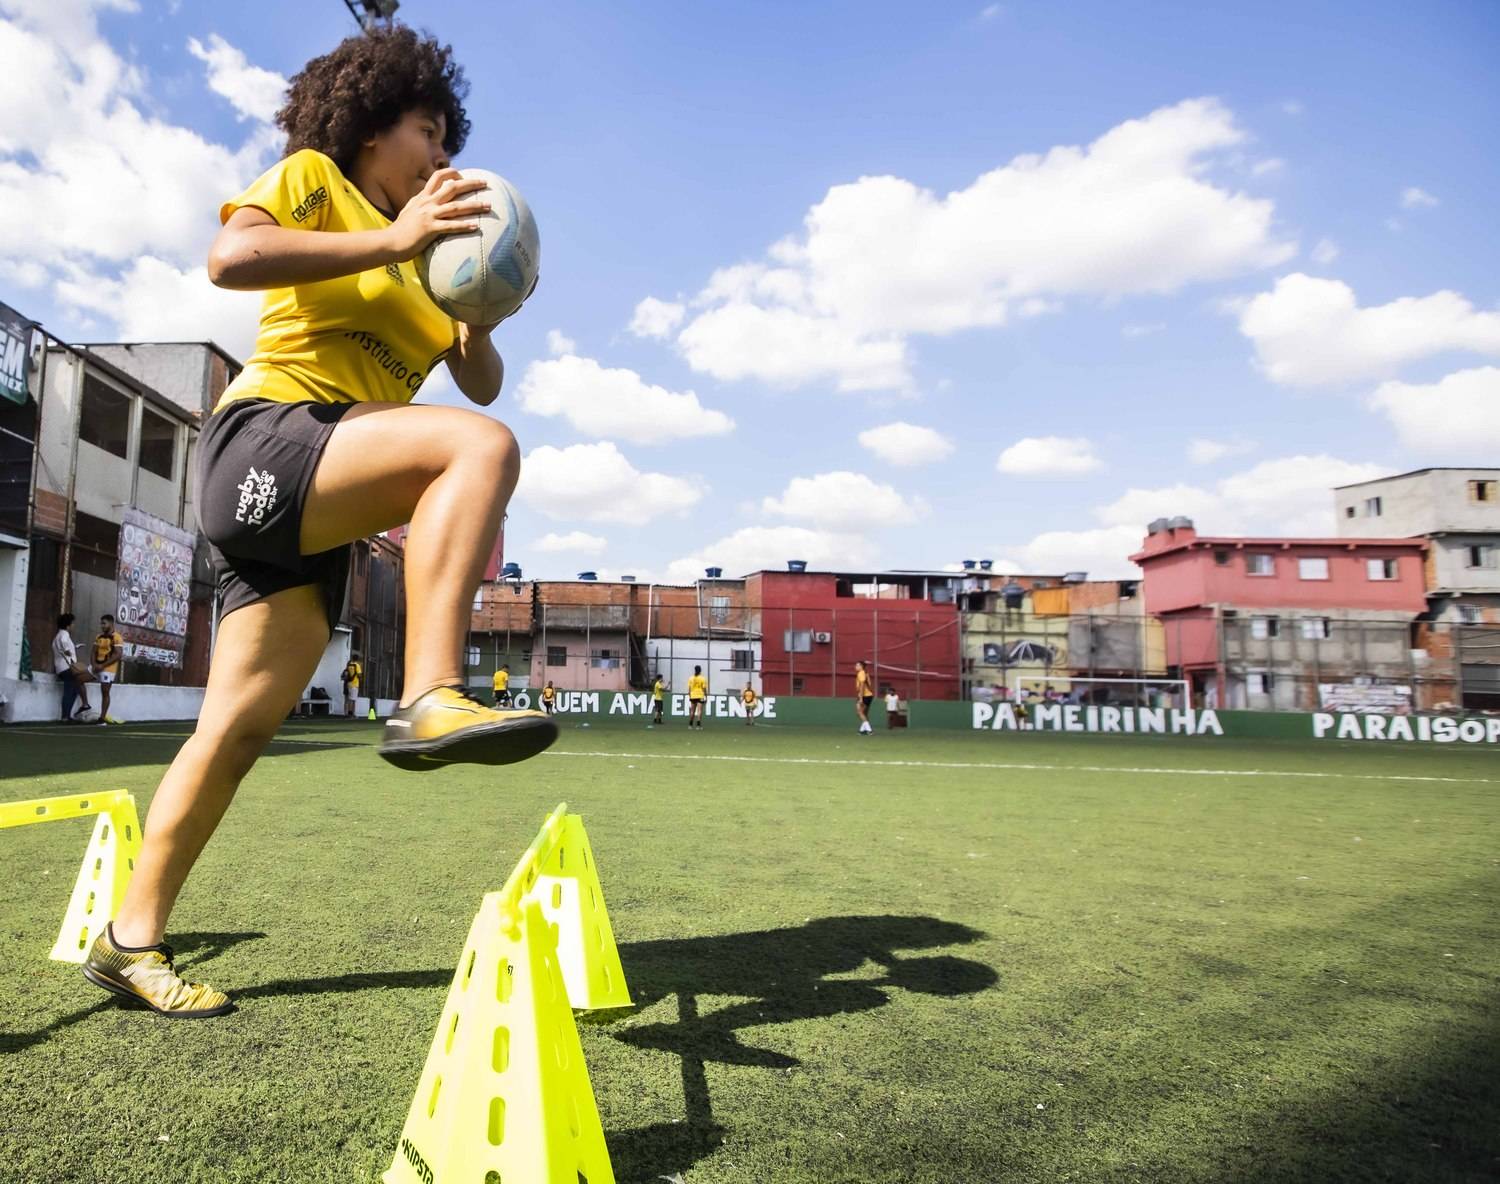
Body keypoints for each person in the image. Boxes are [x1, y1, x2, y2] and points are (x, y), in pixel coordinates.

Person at [80, 27, 555, 1020]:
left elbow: (476, 373)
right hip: (265, 439)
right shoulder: (317, 184)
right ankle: (430, 691)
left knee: (233, 732)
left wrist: (478, 314)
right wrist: (390, 239)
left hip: (317, 498)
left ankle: (129, 939)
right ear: (371, 124)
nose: (440, 155)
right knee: (480, 449)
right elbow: (231, 255)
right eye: (428, 129)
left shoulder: (426, 260)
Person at [51, 613, 93, 723]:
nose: (73, 625)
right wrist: (71, 660)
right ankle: (65, 716)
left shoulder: (58, 636)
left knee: (74, 689)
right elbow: (64, 647)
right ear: (68, 625)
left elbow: (61, 648)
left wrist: (74, 647)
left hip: (61, 667)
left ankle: (67, 715)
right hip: (67, 667)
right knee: (69, 691)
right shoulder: (64, 635)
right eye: (72, 623)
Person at [90, 613, 124, 725]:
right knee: (79, 677)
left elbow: (118, 655)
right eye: (101, 623)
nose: (102, 626)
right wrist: (94, 664)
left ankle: (102, 717)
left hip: (108, 669)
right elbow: (93, 651)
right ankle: (85, 705)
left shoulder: (117, 637)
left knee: (105, 691)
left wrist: (102, 666)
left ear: (111, 623)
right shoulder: (98, 637)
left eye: (104, 623)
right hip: (96, 666)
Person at [854, 659, 874, 735]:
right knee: (864, 713)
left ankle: (869, 730)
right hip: (869, 695)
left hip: (864, 695)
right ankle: (862, 730)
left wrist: (861, 698)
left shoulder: (861, 673)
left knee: (859, 712)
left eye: (857, 665)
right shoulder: (865, 673)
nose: (856, 666)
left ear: (861, 666)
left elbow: (862, 685)